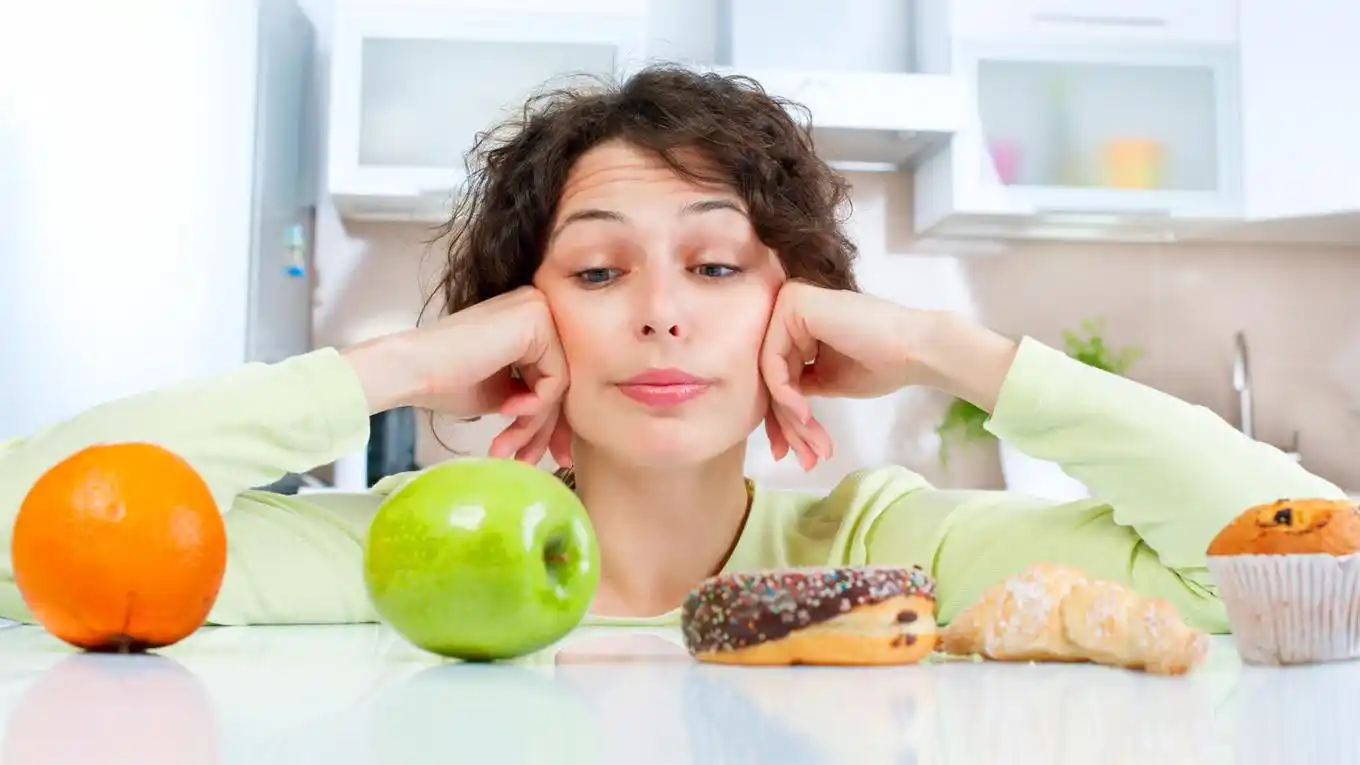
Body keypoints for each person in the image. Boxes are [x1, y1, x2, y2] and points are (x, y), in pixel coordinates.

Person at [0, 65, 1341, 633]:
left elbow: (1302, 575)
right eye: (595, 272)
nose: (659, 313)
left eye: (716, 267)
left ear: (795, 320)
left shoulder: (887, 548)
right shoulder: (400, 559)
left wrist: (949, 347)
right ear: (521, 324)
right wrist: (392, 367)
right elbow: (29, 548)